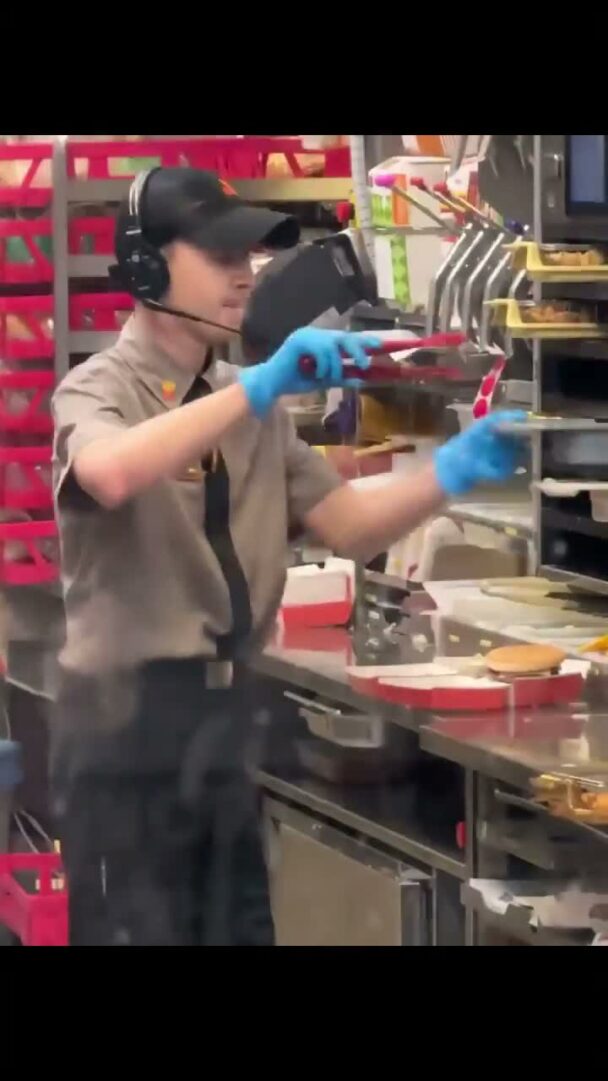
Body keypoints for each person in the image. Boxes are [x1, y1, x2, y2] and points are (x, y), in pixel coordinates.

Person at [51, 167, 525, 946]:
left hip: (227, 726)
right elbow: (108, 472)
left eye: (249, 256)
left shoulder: (250, 404)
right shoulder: (97, 389)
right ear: (146, 266)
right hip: (126, 734)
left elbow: (352, 527)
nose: (245, 275)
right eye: (220, 257)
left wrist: (455, 469)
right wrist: (262, 386)